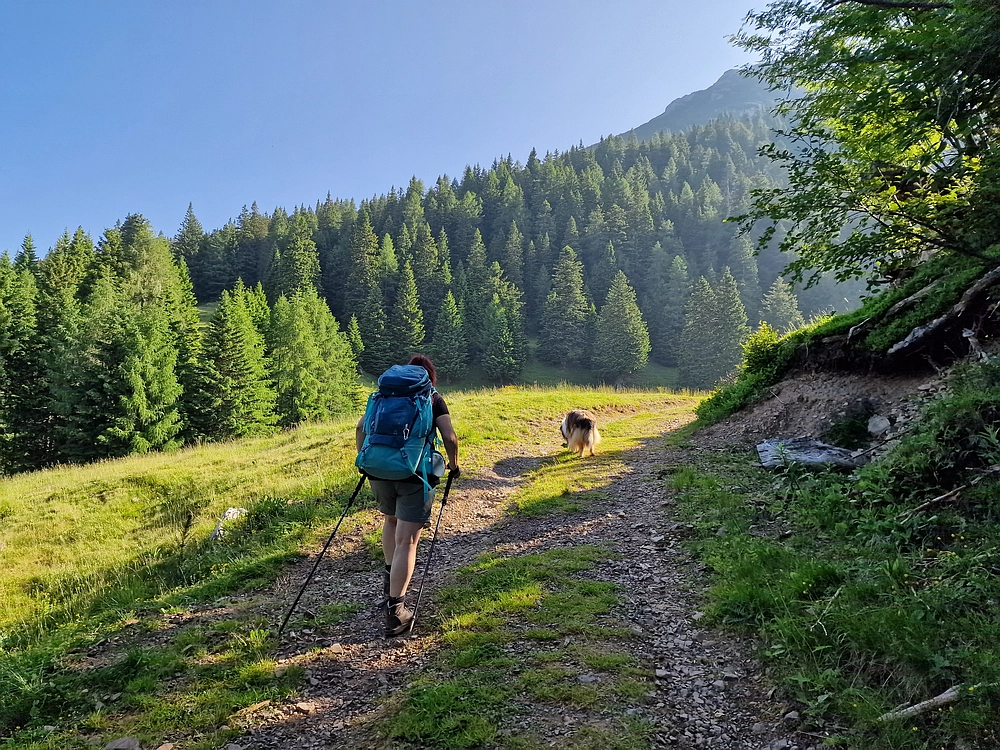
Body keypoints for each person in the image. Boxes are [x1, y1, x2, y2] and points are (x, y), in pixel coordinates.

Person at [355, 354, 460, 636]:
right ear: (428, 376)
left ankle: (388, 586)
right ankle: (396, 610)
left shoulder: (383, 394)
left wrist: (363, 459)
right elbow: (449, 437)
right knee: (408, 540)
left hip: (377, 470)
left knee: (390, 523)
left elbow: (360, 428)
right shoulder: (432, 397)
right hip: (414, 474)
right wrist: (454, 464)